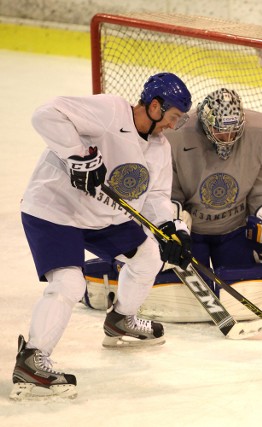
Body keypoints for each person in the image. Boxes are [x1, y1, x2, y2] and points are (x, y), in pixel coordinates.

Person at [12, 73, 194, 400]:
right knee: (69, 283)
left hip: (105, 218)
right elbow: (45, 115)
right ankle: (31, 359)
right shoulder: (111, 111)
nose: (172, 126)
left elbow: (154, 197)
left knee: (149, 256)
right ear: (155, 106)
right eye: (172, 118)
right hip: (57, 211)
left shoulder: (160, 149)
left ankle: (121, 320)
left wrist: (172, 229)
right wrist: (78, 155)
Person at [140, 87, 262, 321]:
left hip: (236, 227)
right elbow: (166, 192)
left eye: (233, 132)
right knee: (181, 284)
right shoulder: (173, 135)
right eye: (220, 132)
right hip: (191, 230)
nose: (227, 139)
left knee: (245, 285)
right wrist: (174, 225)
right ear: (205, 122)